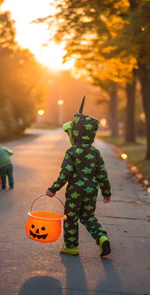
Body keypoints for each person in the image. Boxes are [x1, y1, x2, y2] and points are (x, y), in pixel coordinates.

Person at [45, 97, 112, 256]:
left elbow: (65, 173)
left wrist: (53, 189)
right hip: (90, 191)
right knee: (88, 217)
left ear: (75, 133)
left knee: (71, 218)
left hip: (75, 192)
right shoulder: (95, 152)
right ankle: (102, 237)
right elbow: (102, 174)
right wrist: (106, 192)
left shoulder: (72, 152)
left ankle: (71, 246)